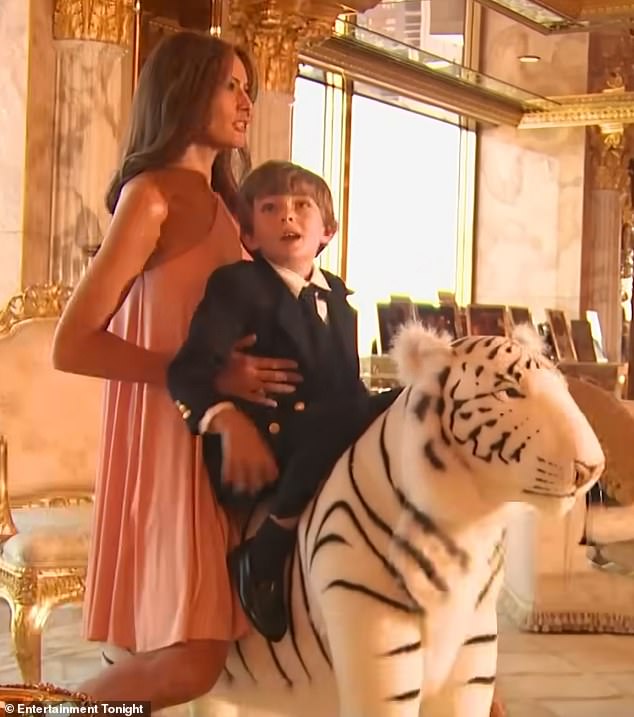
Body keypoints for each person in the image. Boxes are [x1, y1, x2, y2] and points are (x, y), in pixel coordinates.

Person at [52, 32, 301, 709]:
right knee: (194, 659)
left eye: (248, 85)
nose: (248, 100)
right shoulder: (150, 196)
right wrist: (208, 377)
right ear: (183, 91)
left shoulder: (225, 206)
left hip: (221, 443)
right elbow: (72, 344)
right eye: (232, 85)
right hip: (168, 439)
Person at [167, 160, 400, 642]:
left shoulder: (337, 296)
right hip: (265, 447)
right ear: (250, 236)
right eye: (270, 209)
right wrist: (227, 420)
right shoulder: (239, 285)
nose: (287, 218)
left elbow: (346, 388)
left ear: (327, 230)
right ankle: (265, 552)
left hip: (325, 432)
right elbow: (187, 371)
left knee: (408, 400)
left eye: (301, 207)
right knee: (351, 414)